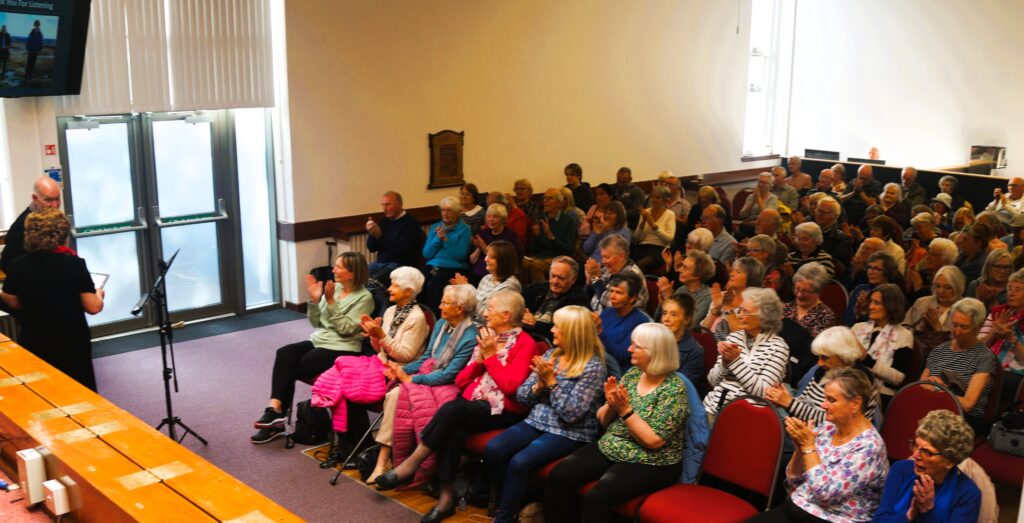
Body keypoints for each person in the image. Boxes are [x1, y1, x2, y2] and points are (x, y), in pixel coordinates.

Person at [374, 291, 540, 523]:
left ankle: (413, 464)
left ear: (506, 315)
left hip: (503, 409)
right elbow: (462, 381)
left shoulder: (526, 344)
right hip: (475, 402)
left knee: (452, 410)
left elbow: (511, 388)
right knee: (454, 427)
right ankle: (445, 498)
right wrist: (479, 362)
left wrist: (491, 359)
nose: (485, 313)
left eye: (490, 308)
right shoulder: (488, 336)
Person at [545, 323, 687, 523]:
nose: (629, 349)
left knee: (598, 496)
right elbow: (603, 421)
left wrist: (625, 411)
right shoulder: (633, 374)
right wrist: (611, 405)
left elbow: (653, 441)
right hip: (614, 444)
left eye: (636, 346)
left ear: (655, 352)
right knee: (559, 475)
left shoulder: (674, 390)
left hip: (652, 461)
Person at [484, 306, 606, 523]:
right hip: (536, 421)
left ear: (573, 333)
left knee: (520, 462)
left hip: (570, 432)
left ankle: (504, 517)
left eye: (558, 327)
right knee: (493, 449)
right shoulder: (551, 355)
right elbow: (522, 397)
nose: (552, 330)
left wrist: (551, 382)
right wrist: (538, 386)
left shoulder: (593, 367)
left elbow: (571, 414)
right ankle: (517, 501)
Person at [251, 252, 373, 443]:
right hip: (321, 340)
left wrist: (330, 302)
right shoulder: (335, 288)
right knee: (284, 353)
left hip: (343, 347)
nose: (333, 270)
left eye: (339, 267)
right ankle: (274, 410)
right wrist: (316, 301)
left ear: (352, 273)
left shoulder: (364, 298)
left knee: (290, 369)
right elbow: (316, 323)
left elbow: (346, 329)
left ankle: (276, 422)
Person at [368, 284, 478, 483]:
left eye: (445, 303)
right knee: (396, 393)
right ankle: (384, 460)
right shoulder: (441, 324)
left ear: (460, 308)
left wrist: (412, 379)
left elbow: (450, 374)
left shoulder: (470, 336)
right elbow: (427, 358)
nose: (439, 306)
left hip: (449, 385)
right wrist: (401, 370)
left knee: (398, 395)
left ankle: (387, 462)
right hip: (429, 375)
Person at [748, 368, 887, 522]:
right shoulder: (828, 427)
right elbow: (794, 481)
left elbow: (826, 494)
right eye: (825, 398)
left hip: (831, 518)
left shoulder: (869, 446)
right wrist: (799, 449)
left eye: (831, 400)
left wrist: (808, 447)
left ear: (855, 403)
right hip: (798, 507)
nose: (823, 405)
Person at [0, 209, 104, 390]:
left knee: (43, 387)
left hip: (35, 336)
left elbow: (8, 298)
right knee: (77, 387)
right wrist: (99, 294)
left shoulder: (19, 264)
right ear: (62, 234)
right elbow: (93, 307)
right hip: (70, 337)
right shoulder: (74, 264)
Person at [874, 410, 982, 523]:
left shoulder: (967, 495)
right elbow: (878, 520)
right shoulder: (900, 470)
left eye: (927, 452)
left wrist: (927, 511)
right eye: (916, 445)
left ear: (950, 461)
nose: (915, 455)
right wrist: (909, 515)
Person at [703, 287, 789, 418]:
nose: (739, 315)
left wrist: (736, 362)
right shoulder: (734, 337)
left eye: (746, 312)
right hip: (713, 408)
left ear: (764, 317)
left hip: (745, 417)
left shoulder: (778, 347)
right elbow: (712, 381)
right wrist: (724, 364)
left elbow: (764, 394)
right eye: (740, 310)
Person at [765, 326, 875, 425]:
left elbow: (832, 422)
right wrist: (783, 398)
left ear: (843, 356)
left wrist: (789, 402)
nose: (819, 363)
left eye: (825, 357)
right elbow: (804, 401)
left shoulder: (859, 381)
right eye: (818, 357)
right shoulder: (823, 371)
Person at [921, 298, 997, 434]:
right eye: (954, 325)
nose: (957, 332)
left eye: (964, 327)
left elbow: (968, 404)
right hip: (932, 413)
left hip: (963, 421)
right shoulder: (939, 350)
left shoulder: (984, 357)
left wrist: (937, 389)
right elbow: (919, 387)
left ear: (978, 327)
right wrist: (931, 387)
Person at [851, 283, 913, 402]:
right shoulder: (857, 328)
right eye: (871, 302)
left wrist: (867, 360)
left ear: (891, 306)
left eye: (877, 303)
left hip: (881, 394)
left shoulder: (904, 335)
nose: (871, 307)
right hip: (849, 386)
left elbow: (898, 378)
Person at [360, 266, 430, 366]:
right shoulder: (390, 311)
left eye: (395, 286)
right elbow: (381, 351)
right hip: (382, 363)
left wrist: (381, 335)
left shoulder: (417, 317)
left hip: (399, 369)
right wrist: (374, 335)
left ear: (408, 291)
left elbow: (406, 356)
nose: (389, 289)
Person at [978, 268, 1024, 405]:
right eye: (1009, 289)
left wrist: (1012, 340)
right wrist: (994, 333)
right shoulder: (998, 313)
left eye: (1017, 290)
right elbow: (977, 348)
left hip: (1015, 374)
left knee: (986, 378)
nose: (1011, 293)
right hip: (989, 366)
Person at [1, 176, 62, 273]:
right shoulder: (21, 226)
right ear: (35, 198)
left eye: (57, 199)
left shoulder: (54, 219)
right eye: (48, 200)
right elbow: (7, 264)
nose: (55, 205)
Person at [422, 196, 471, 313]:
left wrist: (445, 240)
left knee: (435, 284)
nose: (445, 213)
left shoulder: (465, 229)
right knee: (419, 280)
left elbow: (460, 256)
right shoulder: (435, 227)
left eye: (449, 210)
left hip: (453, 267)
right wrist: (437, 239)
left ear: (457, 213)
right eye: (443, 210)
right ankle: (424, 315)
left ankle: (437, 317)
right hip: (433, 265)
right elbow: (426, 254)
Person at [522, 256, 589, 340]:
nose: (555, 281)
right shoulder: (535, 288)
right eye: (553, 276)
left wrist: (536, 325)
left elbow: (568, 332)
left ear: (573, 279)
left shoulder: (578, 301)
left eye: (561, 278)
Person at [597, 271, 651, 375]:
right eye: (611, 291)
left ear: (632, 298)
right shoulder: (607, 313)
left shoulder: (640, 322)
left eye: (618, 293)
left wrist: (599, 331)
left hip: (619, 373)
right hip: (600, 365)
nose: (612, 296)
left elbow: (621, 355)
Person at [453, 240, 521, 321]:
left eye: (491, 257)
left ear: (502, 261)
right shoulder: (486, 278)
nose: (485, 259)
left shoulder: (510, 286)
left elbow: (487, 315)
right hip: (473, 322)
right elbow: (473, 307)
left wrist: (467, 289)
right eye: (486, 255)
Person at [366, 191, 426, 283]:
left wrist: (379, 236)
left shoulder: (410, 223)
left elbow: (401, 250)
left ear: (399, 205)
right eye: (383, 205)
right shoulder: (384, 221)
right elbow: (372, 248)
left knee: (374, 281)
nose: (384, 209)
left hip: (401, 264)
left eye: (388, 205)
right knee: (359, 276)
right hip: (381, 263)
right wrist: (372, 233)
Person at [521, 188, 578, 284]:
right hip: (541, 257)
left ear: (559, 203)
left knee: (536, 265)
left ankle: (542, 292)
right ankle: (525, 292)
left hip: (559, 257)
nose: (545, 201)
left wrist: (552, 238)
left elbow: (568, 250)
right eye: (544, 198)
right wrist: (536, 236)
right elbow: (534, 250)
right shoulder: (542, 219)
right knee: (522, 262)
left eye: (550, 198)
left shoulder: (568, 221)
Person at [701, 256, 765, 341]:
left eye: (738, 272)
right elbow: (703, 332)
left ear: (751, 278)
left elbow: (742, 338)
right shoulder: (722, 296)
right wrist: (715, 311)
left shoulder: (755, 304)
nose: (731, 274)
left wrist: (727, 307)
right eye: (732, 270)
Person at [584, 233, 648, 312]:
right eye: (602, 257)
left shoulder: (633, 275)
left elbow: (611, 304)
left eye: (607, 257)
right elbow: (585, 299)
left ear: (621, 256)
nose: (603, 261)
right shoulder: (607, 270)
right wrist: (589, 281)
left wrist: (596, 279)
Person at [656, 249, 715, 324]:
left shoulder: (707, 296)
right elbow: (656, 319)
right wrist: (663, 304)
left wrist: (669, 298)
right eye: (681, 266)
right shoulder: (682, 289)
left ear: (697, 275)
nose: (679, 270)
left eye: (685, 267)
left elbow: (689, 323)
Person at [904, 266, 965, 337]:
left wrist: (938, 326)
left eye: (947, 288)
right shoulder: (921, 302)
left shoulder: (965, 309)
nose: (941, 291)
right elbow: (904, 327)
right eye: (938, 286)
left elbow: (962, 339)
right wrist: (920, 330)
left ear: (958, 287)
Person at [468, 203, 521, 282]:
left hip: (500, 274)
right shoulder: (483, 233)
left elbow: (508, 260)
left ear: (503, 219)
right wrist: (479, 248)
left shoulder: (510, 236)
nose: (491, 219)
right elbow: (472, 261)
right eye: (489, 216)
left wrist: (485, 250)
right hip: (479, 273)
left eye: (495, 217)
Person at [846, 252, 900, 326]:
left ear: (887, 272)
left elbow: (891, 323)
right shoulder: (860, 290)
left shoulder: (893, 294)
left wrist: (867, 310)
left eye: (876, 269)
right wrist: (858, 313)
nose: (870, 272)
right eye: (869, 267)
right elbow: (847, 322)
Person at [784, 262, 837, 338]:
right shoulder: (786, 308)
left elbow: (813, 343)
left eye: (805, 291)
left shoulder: (825, 316)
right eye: (797, 289)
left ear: (818, 292)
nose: (799, 295)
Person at [660, 294, 703, 385]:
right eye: (664, 313)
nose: (666, 319)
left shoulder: (695, 351)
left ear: (687, 319)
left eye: (673, 315)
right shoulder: (654, 340)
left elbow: (680, 386)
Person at [632, 186, 676, 273]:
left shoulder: (670, 214)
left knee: (642, 264)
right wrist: (643, 221)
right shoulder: (646, 212)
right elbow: (636, 238)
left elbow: (668, 239)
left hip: (660, 249)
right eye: (653, 197)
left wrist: (653, 226)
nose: (654, 200)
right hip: (643, 247)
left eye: (658, 197)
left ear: (665, 200)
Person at [814, 197, 855, 272]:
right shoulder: (809, 229)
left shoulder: (842, 238)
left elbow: (838, 265)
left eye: (823, 212)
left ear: (835, 215)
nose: (819, 214)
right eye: (818, 210)